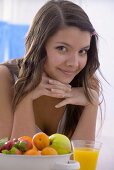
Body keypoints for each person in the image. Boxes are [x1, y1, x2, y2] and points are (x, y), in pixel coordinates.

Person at [0, 0, 102, 140]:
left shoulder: (86, 84)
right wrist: (24, 97)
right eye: (62, 48)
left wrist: (92, 104)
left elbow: (79, 161)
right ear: (39, 46)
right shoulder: (4, 78)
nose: (74, 63)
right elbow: (12, 159)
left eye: (82, 51)